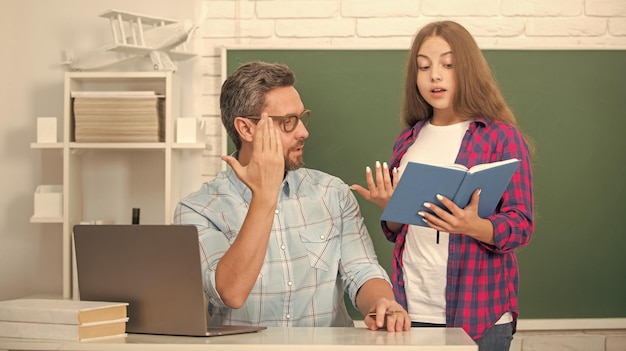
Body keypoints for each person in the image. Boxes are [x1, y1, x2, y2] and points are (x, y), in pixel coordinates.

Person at [174, 61, 410, 332]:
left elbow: (362, 271)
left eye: (301, 117)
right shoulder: (198, 209)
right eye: (288, 122)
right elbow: (230, 292)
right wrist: (265, 194)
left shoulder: (332, 193)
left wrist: (383, 303)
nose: (303, 132)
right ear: (246, 129)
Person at [351, 21, 534, 350]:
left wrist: (475, 226)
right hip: (410, 309)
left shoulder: (501, 136)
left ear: (468, 70)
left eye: (448, 65)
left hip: (479, 314)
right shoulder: (409, 139)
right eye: (424, 66)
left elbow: (521, 225)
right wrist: (390, 207)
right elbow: (398, 230)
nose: (435, 75)